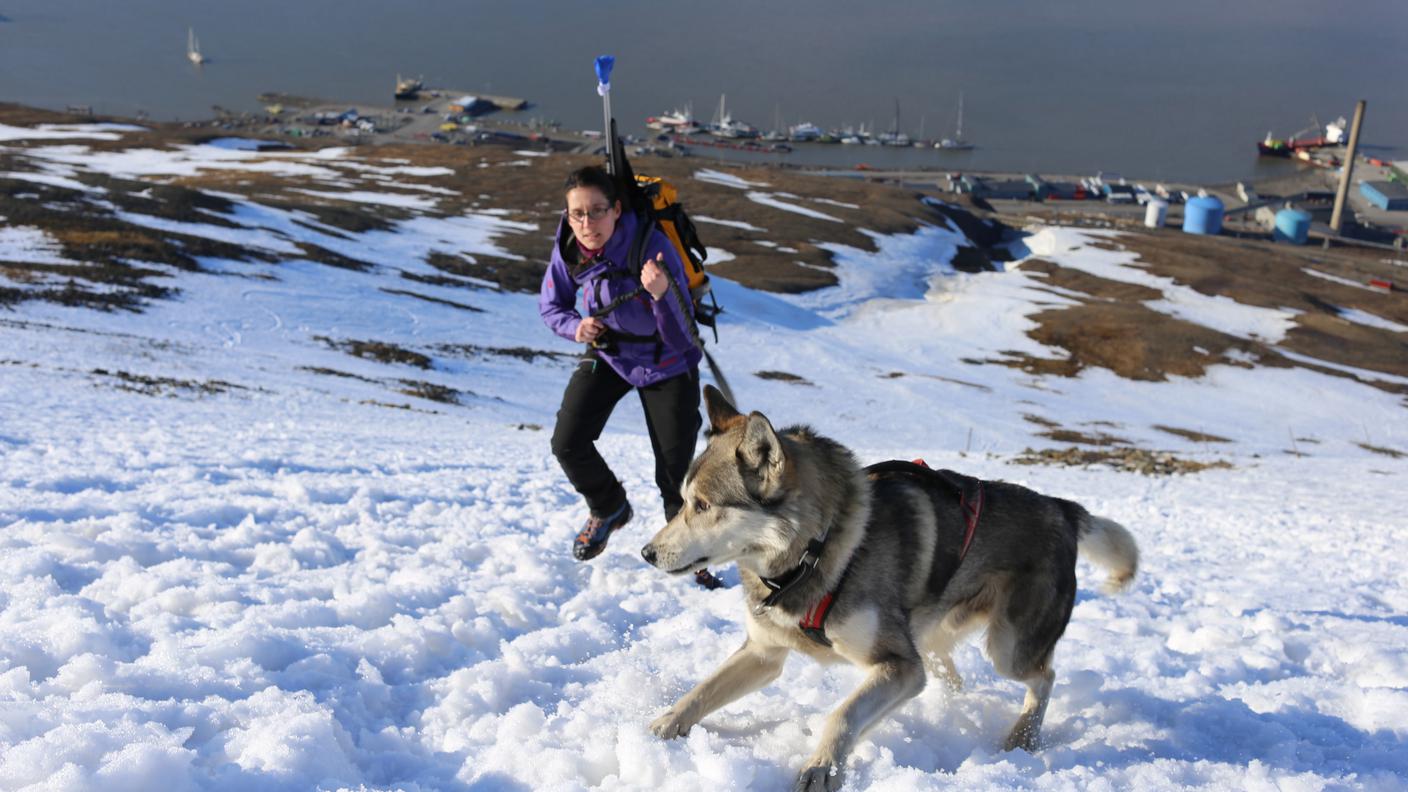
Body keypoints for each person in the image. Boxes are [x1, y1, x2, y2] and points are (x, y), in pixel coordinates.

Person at [539, 165, 722, 589]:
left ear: (616, 210)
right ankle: (609, 508)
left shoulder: (653, 246)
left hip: (667, 363)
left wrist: (661, 295)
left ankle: (693, 558)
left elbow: (685, 341)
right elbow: (552, 306)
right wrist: (576, 327)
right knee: (568, 441)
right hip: (610, 352)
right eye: (577, 214)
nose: (587, 224)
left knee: (675, 474)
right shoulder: (569, 245)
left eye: (597, 211)